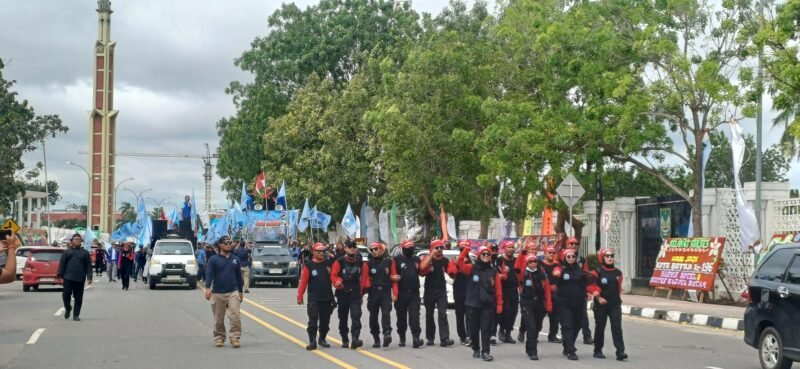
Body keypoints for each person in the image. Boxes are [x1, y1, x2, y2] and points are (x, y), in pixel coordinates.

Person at [458, 245, 503, 362]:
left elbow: (498, 289)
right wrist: (465, 251)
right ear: (479, 256)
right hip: (473, 304)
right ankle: (476, 348)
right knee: (474, 329)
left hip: (487, 305)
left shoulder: (493, 271)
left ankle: (486, 352)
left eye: (488, 254)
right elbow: (460, 265)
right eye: (484, 254)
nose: (486, 256)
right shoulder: (472, 268)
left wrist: (499, 304)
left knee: (486, 329)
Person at [552, 248, 593, 360]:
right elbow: (555, 271)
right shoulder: (561, 268)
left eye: (573, 256)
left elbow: (586, 283)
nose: (571, 258)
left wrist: (588, 291)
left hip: (579, 302)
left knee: (577, 325)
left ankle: (567, 345)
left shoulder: (579, 270)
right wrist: (557, 273)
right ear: (564, 258)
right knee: (567, 325)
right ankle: (571, 350)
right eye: (568, 257)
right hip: (564, 303)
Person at [204, 236, 244, 348]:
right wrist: (207, 288)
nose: (228, 244)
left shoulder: (235, 259)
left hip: (233, 291)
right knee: (218, 318)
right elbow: (209, 274)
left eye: (230, 243)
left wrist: (240, 292)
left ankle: (235, 337)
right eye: (226, 243)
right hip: (217, 293)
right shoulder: (213, 260)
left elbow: (238, 276)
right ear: (220, 245)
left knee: (235, 315)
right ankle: (219, 338)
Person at [589, 248, 628, 361]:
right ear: (602, 257)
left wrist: (615, 299)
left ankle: (620, 352)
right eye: (607, 256)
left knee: (617, 328)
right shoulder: (597, 272)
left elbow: (619, 288)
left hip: (614, 304)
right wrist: (598, 297)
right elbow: (590, 285)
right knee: (600, 327)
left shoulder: (618, 273)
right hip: (601, 304)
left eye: (612, 256)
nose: (610, 258)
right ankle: (598, 350)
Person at [297, 243, 334, 350]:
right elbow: (303, 282)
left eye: (323, 251)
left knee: (325, 322)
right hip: (314, 299)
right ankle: (312, 341)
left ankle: (322, 338)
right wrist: (300, 296)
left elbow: (334, 277)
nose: (321, 253)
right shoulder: (309, 265)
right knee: (313, 321)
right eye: (319, 251)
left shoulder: (328, 264)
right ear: (313, 252)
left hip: (327, 298)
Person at [515, 252, 553, 360]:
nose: (532, 263)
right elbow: (517, 268)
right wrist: (521, 255)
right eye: (530, 261)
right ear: (527, 263)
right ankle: (533, 352)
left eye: (534, 261)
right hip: (527, 303)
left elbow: (547, 290)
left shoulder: (542, 274)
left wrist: (549, 304)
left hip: (539, 303)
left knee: (537, 327)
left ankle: (529, 346)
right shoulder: (523, 273)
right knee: (531, 327)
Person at [419, 239, 456, 347]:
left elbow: (452, 273)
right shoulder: (427, 259)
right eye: (437, 248)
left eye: (441, 248)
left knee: (442, 314)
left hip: (441, 291)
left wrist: (452, 270)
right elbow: (422, 268)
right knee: (429, 314)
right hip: (429, 291)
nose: (439, 250)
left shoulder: (445, 261)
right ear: (432, 249)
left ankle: (445, 338)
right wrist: (431, 255)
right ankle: (430, 338)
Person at [330, 239, 366, 349]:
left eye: (353, 247)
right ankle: (345, 339)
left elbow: (364, 278)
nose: (351, 249)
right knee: (343, 317)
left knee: (356, 315)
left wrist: (362, 291)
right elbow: (333, 275)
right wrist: (337, 282)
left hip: (355, 293)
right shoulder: (339, 261)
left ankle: (355, 339)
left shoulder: (360, 262)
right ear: (345, 248)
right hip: (342, 292)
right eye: (349, 247)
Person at [391, 239, 424, 348]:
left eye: (411, 248)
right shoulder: (396, 260)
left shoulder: (416, 259)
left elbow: (422, 271)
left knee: (415, 317)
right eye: (408, 248)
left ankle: (416, 338)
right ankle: (402, 337)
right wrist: (394, 292)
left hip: (414, 293)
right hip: (401, 293)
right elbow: (392, 276)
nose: (410, 250)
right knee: (401, 318)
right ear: (403, 249)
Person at [364, 241, 394, 348]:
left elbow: (393, 276)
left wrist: (395, 292)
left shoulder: (389, 262)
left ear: (381, 250)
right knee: (373, 317)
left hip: (385, 292)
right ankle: (376, 338)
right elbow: (364, 278)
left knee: (386, 314)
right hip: (373, 293)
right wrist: (364, 290)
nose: (374, 251)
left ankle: (387, 333)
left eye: (376, 249)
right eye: (371, 250)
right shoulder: (368, 264)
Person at [56, 234, 92, 321]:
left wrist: (89, 277)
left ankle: (76, 315)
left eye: (79, 239)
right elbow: (62, 264)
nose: (77, 240)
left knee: (78, 298)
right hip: (68, 277)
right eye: (75, 239)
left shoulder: (85, 253)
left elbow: (88, 266)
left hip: (80, 278)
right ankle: (68, 308)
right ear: (72, 241)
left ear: (81, 242)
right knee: (65, 295)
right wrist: (60, 275)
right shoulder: (67, 252)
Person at [566, 237, 594, 345]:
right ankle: (567, 337)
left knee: (583, 314)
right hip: (567, 292)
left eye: (575, 244)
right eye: (571, 243)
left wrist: (588, 290)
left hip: (580, 290)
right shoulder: (562, 257)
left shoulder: (581, 260)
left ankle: (587, 336)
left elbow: (585, 275)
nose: (573, 245)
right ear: (567, 245)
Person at [496, 239, 520, 344]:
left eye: (512, 247)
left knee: (513, 312)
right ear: (504, 249)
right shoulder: (500, 260)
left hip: (514, 289)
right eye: (508, 247)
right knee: (506, 310)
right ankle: (502, 330)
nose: (511, 249)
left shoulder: (516, 260)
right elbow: (495, 273)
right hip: (503, 289)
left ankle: (508, 333)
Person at [453, 240, 472, 346]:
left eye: (466, 248)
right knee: (459, 314)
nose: (464, 250)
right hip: (459, 289)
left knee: (470, 314)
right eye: (462, 248)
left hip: (470, 290)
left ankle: (469, 335)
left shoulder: (471, 260)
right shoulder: (456, 260)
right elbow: (453, 272)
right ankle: (462, 336)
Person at [541, 245, 562, 344]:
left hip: (555, 293)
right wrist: (547, 287)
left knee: (555, 316)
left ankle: (552, 335)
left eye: (553, 253)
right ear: (545, 253)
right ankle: (534, 333)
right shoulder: (540, 265)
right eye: (550, 253)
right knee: (540, 314)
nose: (552, 255)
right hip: (543, 293)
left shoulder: (557, 265)